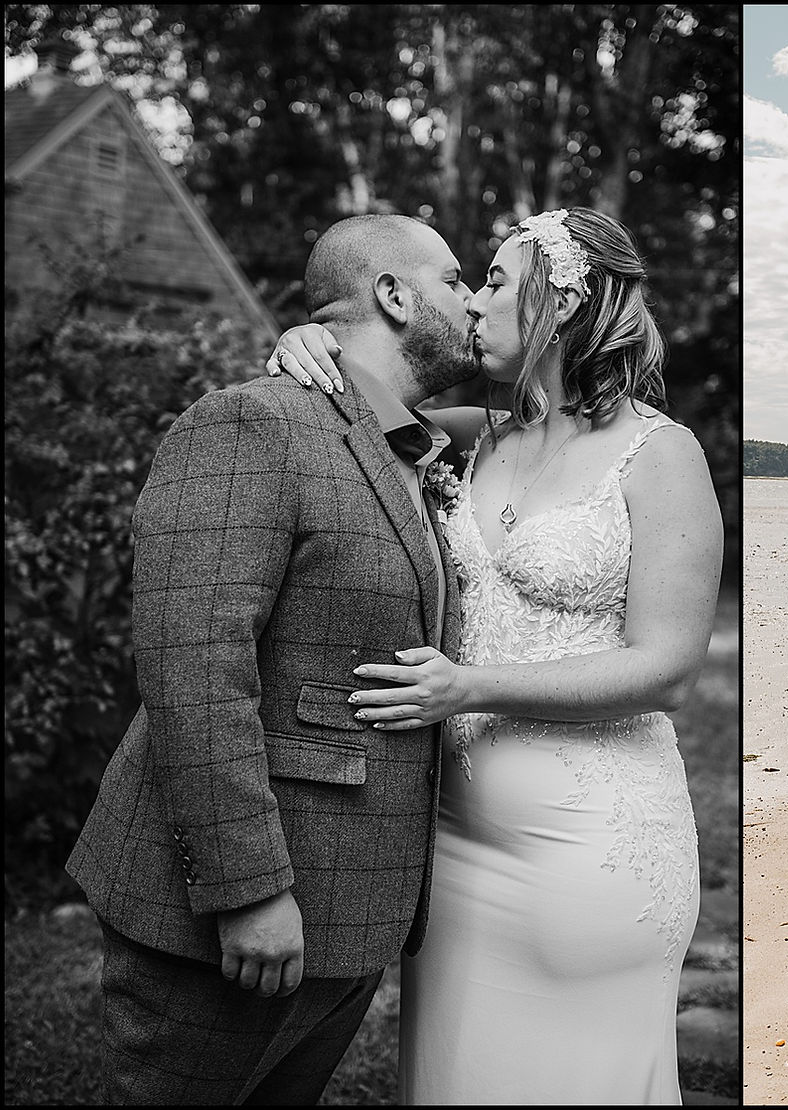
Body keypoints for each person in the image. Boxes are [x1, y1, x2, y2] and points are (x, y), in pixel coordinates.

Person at [268, 207, 723, 1103]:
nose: (473, 302)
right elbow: (358, 382)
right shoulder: (477, 435)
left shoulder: (660, 456)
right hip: (453, 852)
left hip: (590, 851)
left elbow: (667, 667)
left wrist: (465, 687)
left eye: (495, 281)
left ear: (558, 304)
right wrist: (306, 338)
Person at [65, 214, 478, 1103]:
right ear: (395, 296)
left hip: (351, 909)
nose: (473, 298)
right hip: (231, 912)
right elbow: (194, 670)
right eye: (454, 279)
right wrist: (247, 890)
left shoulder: (411, 444)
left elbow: (569, 404)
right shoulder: (253, 424)